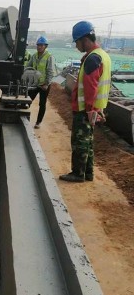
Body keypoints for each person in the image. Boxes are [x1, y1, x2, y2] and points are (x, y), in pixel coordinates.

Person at [59, 21, 111, 183]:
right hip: (96, 108)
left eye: (77, 42)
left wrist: (90, 110)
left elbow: (91, 87)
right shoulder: (103, 55)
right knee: (88, 141)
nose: (76, 46)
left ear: (84, 39)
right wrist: (97, 109)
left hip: (85, 109)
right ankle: (87, 173)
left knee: (80, 141)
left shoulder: (92, 59)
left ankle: (78, 173)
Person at [26, 36, 55, 128]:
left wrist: (46, 84)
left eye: (41, 45)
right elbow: (28, 67)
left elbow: (50, 71)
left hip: (44, 85)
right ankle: (23, 117)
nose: (39, 47)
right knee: (28, 100)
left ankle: (38, 122)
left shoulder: (49, 57)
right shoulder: (34, 56)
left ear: (45, 46)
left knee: (42, 103)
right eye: (38, 45)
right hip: (34, 84)